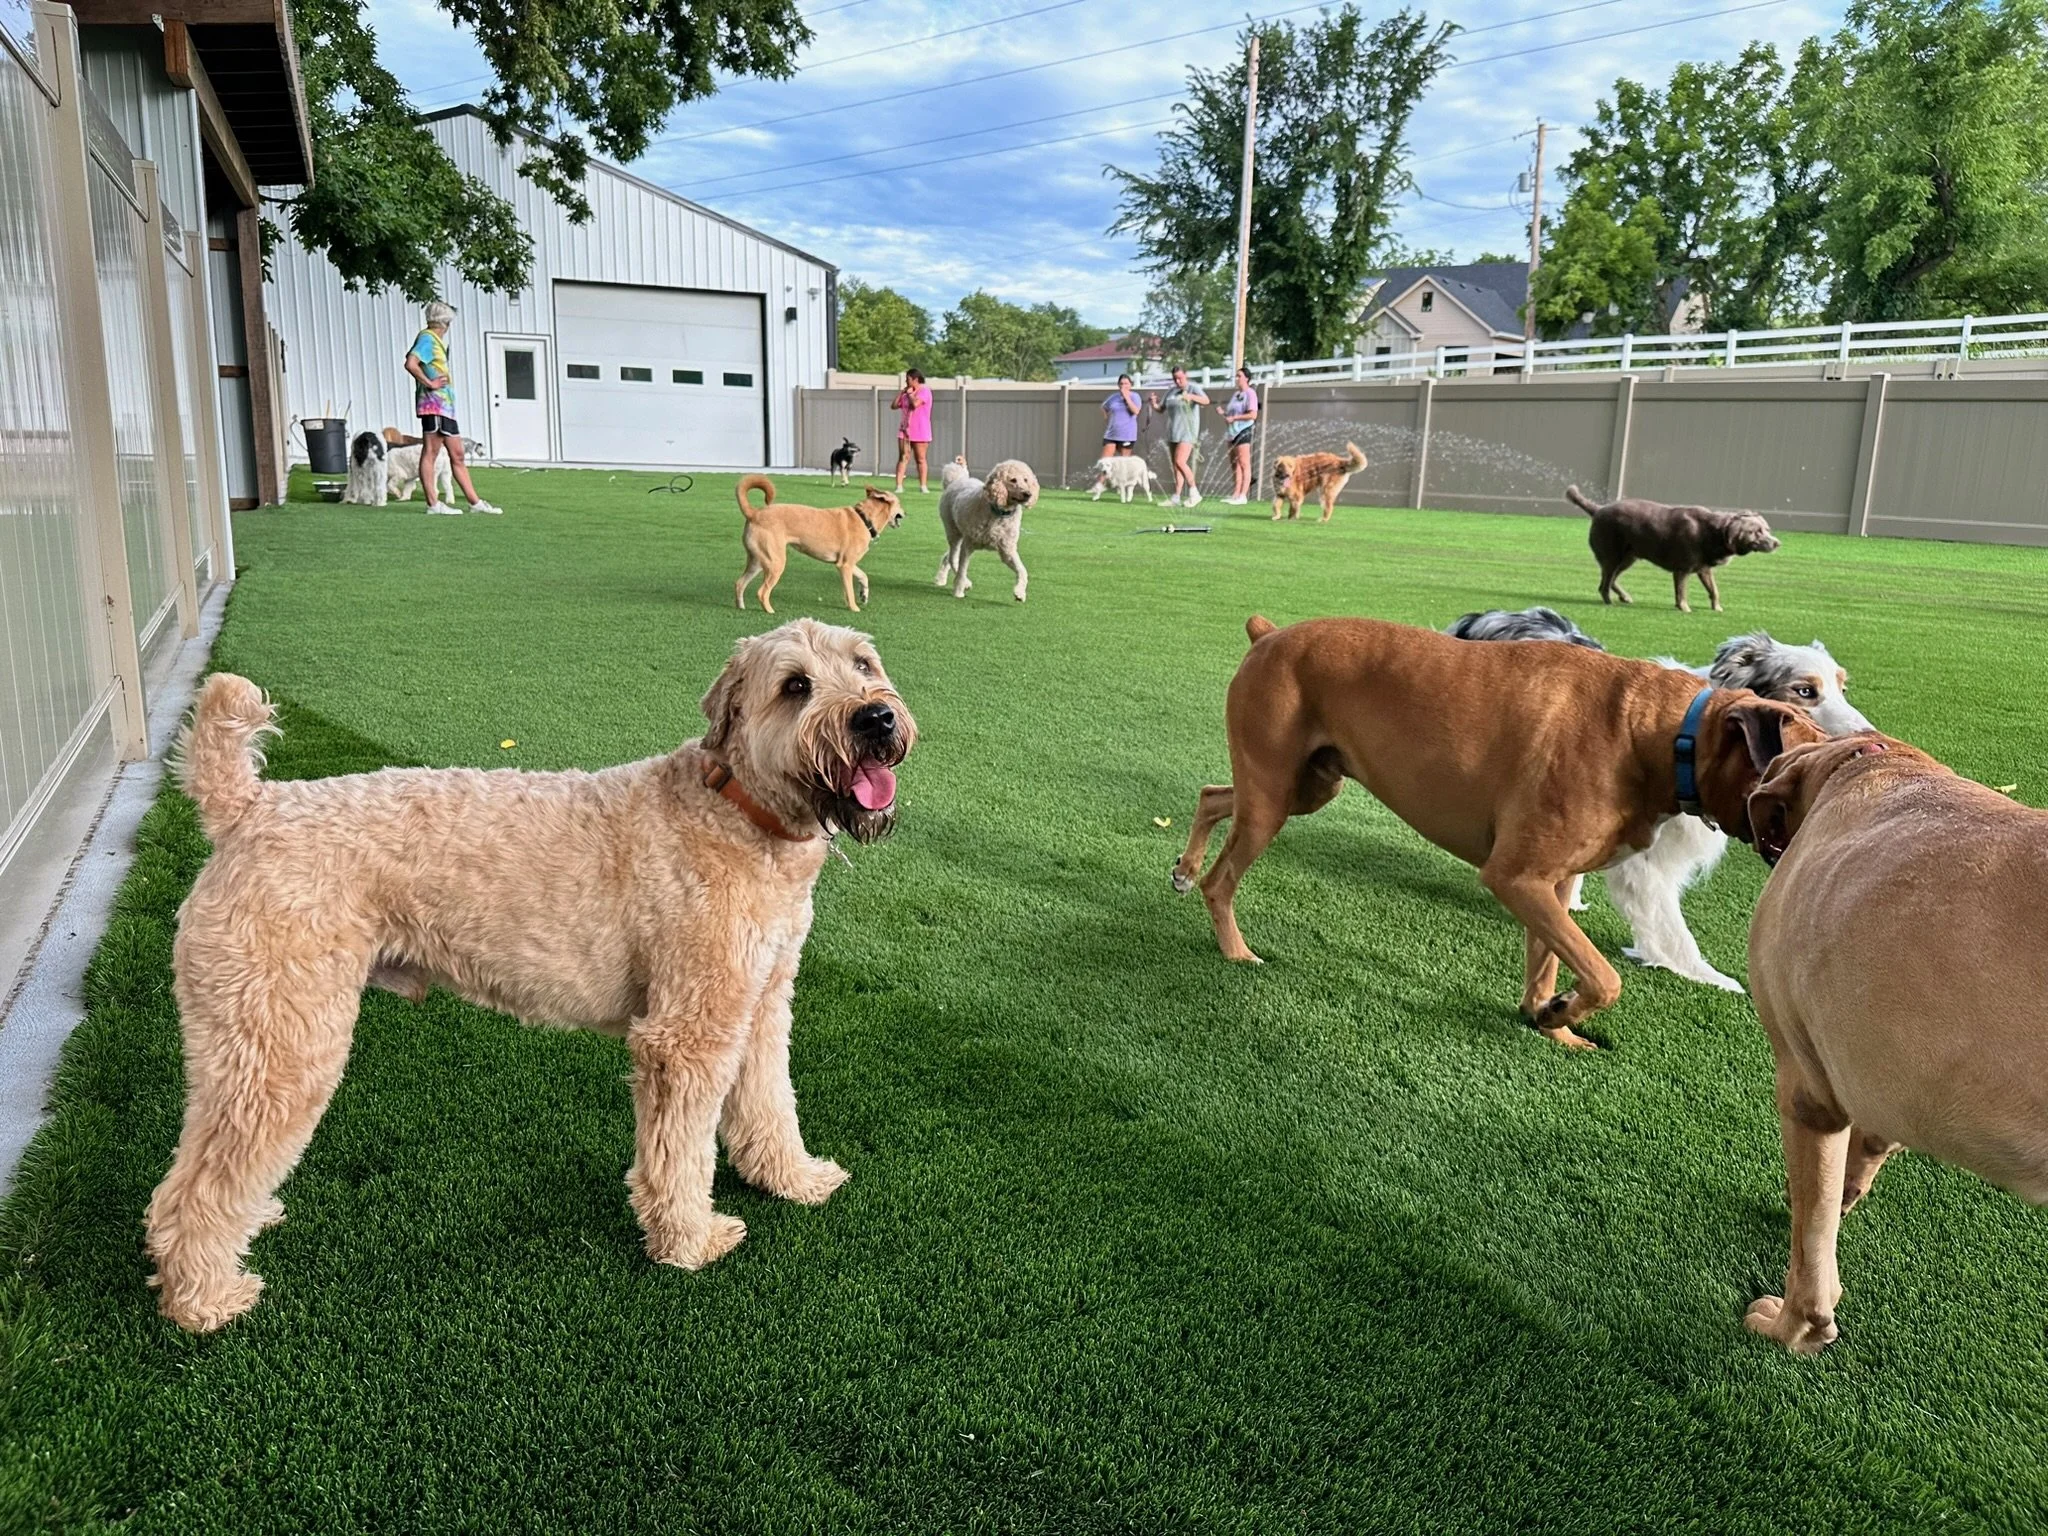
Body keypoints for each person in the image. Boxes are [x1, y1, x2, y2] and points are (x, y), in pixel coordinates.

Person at [406, 301, 500, 516]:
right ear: (445, 323)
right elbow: (411, 363)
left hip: (445, 407)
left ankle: (475, 503)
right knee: (431, 452)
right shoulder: (427, 338)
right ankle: (433, 504)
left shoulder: (436, 341)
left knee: (457, 454)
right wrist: (430, 383)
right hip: (434, 404)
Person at [1150, 366, 1209, 507]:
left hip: (1187, 432)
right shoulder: (1171, 392)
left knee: (1180, 461)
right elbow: (1161, 409)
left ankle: (1194, 493)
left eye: (1180, 378)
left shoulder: (1193, 388)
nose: (1177, 381)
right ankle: (1176, 497)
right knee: (1176, 466)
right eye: (1175, 379)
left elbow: (1206, 401)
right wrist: (1153, 403)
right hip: (1173, 432)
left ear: (1185, 375)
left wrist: (1191, 397)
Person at [1221, 365, 1259, 505]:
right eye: (1236, 376)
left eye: (1239, 376)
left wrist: (1235, 418)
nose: (1236, 379)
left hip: (1243, 430)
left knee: (1244, 463)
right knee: (1234, 463)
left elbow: (1253, 415)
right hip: (1232, 432)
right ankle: (1236, 494)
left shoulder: (1250, 393)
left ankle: (1243, 495)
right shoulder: (1236, 394)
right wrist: (1224, 414)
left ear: (1247, 378)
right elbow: (1231, 414)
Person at [893, 368, 933, 493]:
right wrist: (902, 393)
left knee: (920, 459)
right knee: (903, 457)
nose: (906, 381)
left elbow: (915, 404)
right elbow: (894, 405)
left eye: (908, 379)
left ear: (915, 379)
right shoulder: (906, 394)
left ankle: (923, 486)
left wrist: (911, 394)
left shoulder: (924, 391)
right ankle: (899, 486)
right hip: (905, 430)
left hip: (920, 430)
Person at [1101, 373, 1142, 456]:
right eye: (1121, 384)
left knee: (1124, 461)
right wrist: (1107, 420)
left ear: (1130, 385)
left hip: (1126, 435)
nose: (1123, 386)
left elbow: (1136, 411)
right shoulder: (1114, 397)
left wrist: (1126, 397)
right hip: (1111, 434)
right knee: (1105, 461)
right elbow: (1104, 407)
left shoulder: (1135, 396)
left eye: (1126, 383)